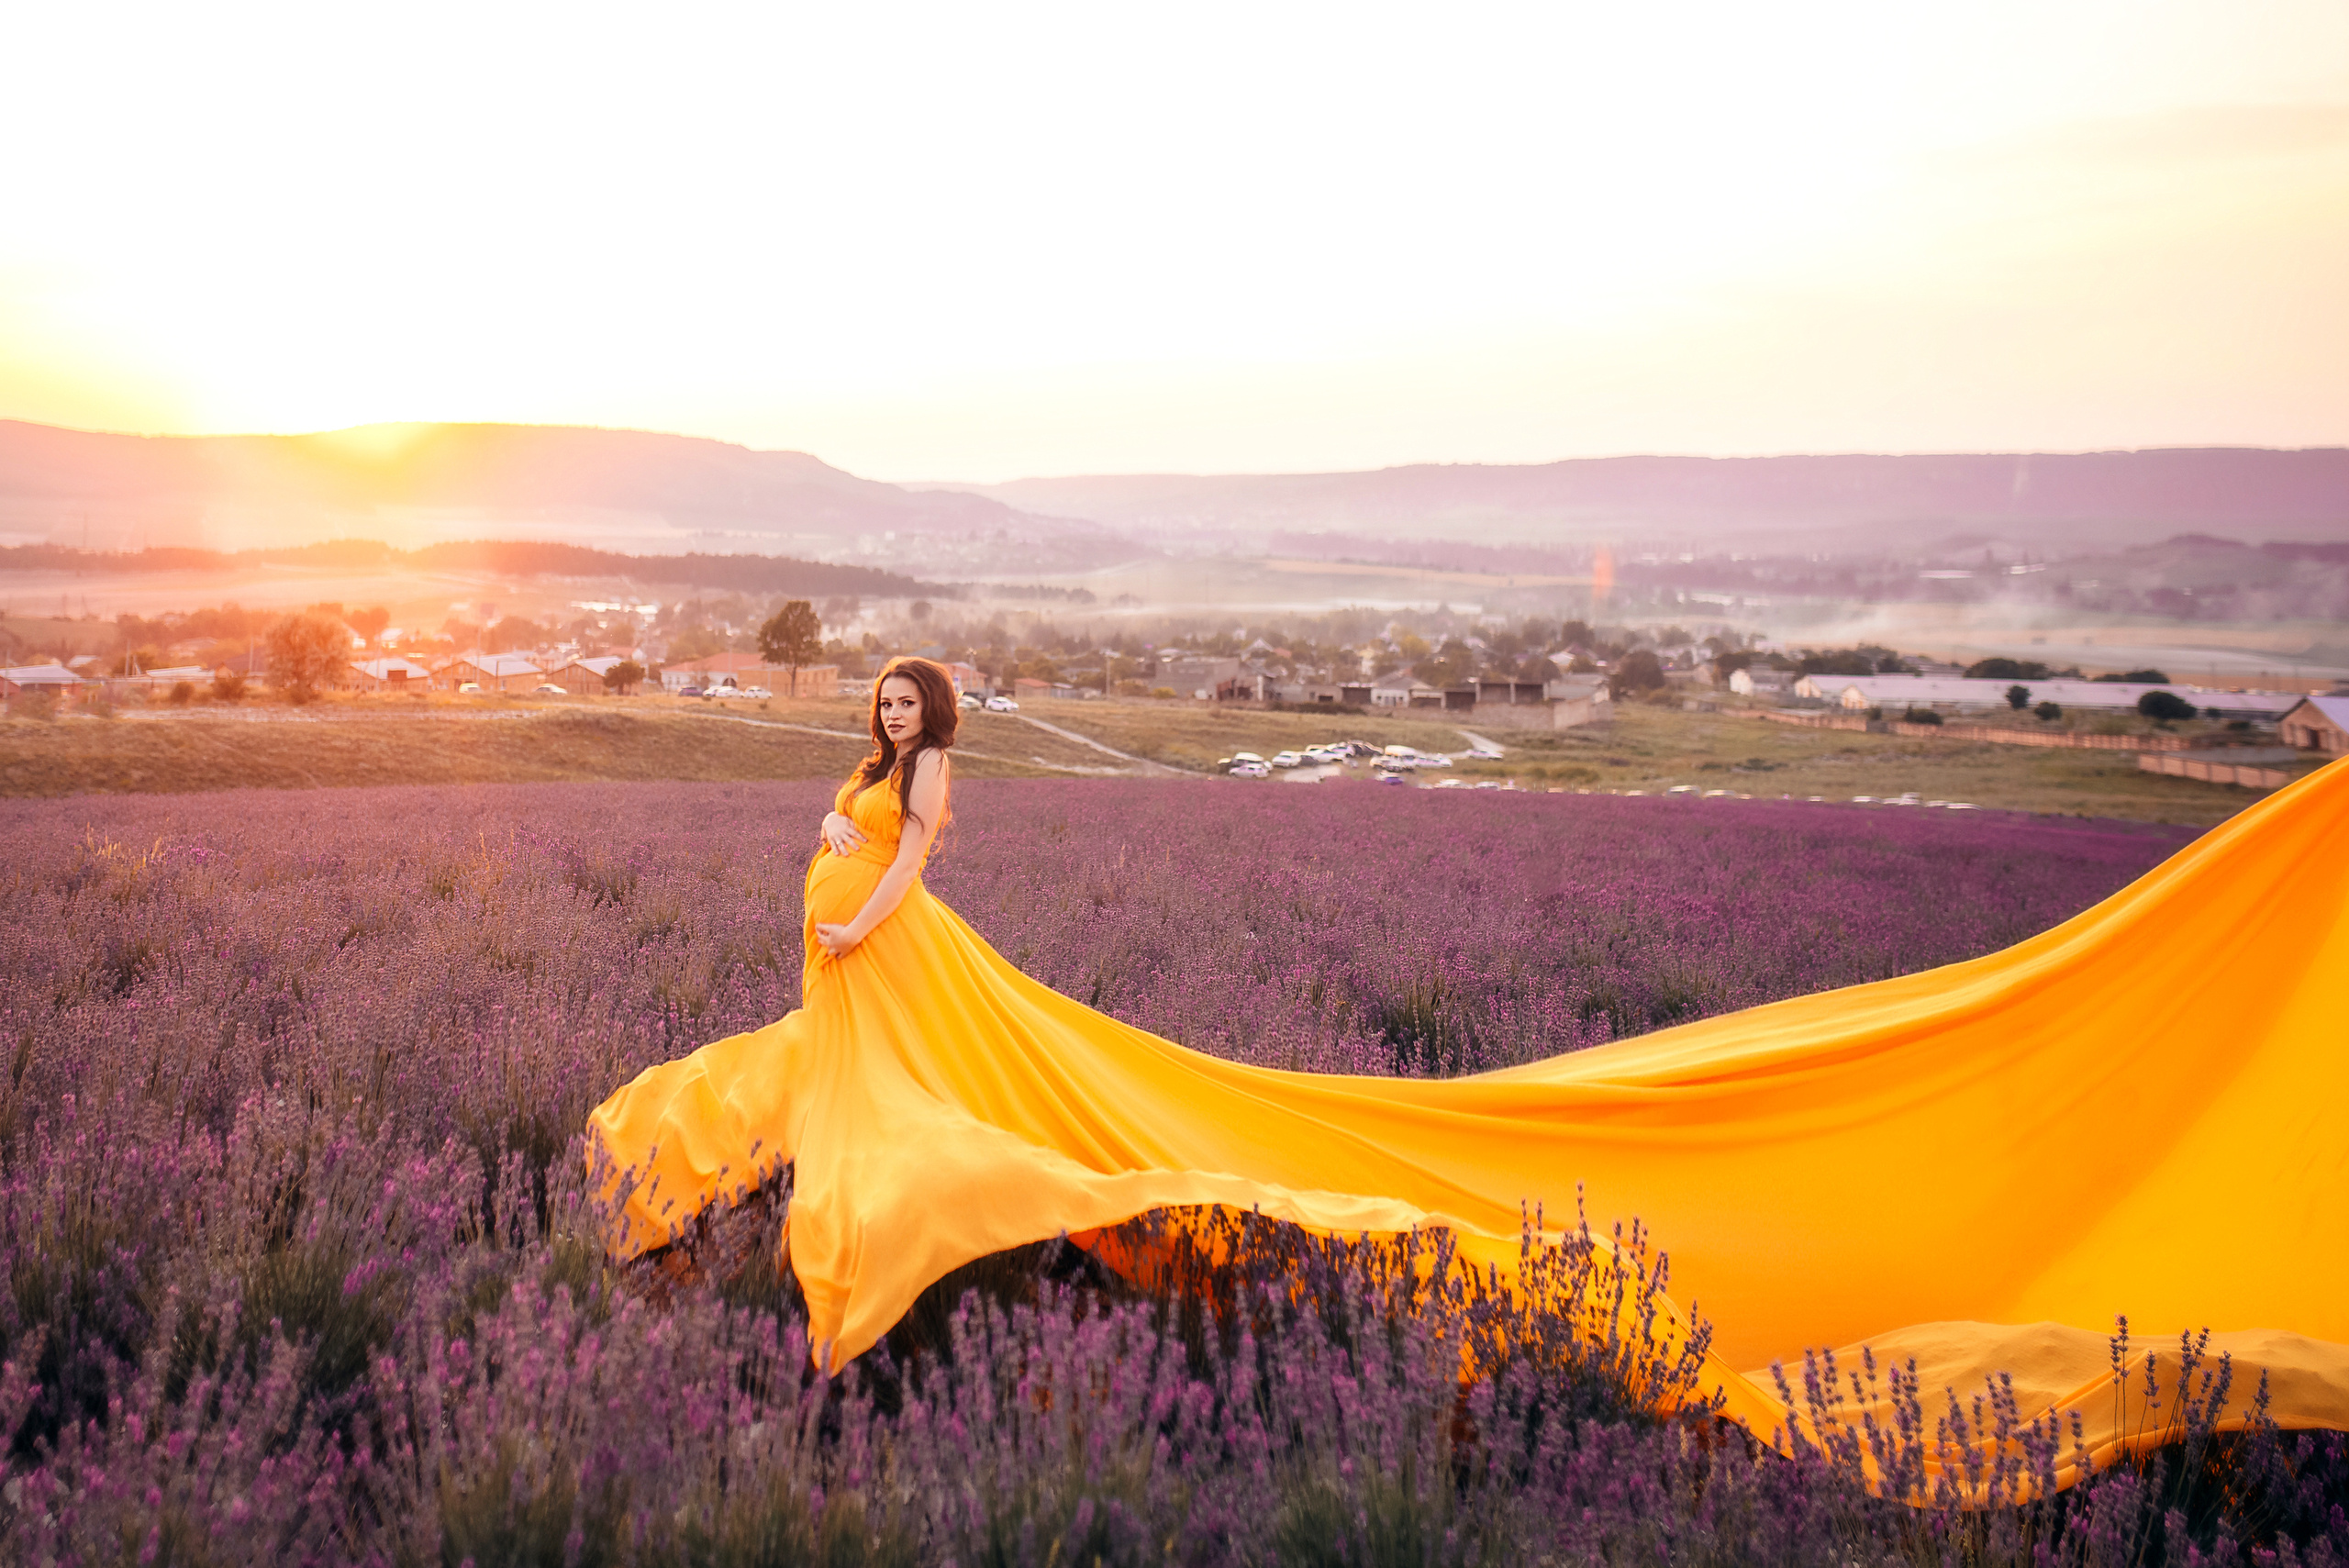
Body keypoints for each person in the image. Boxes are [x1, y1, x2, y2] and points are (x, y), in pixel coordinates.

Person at [588, 684, 2349, 1486]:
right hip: (846, 988)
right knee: (829, 1107)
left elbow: (913, 871)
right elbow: (848, 847)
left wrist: (859, 908)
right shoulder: (856, 762)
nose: (892, 716)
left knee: (956, 1141)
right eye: (883, 703)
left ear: (933, 718)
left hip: (878, 972)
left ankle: (845, 1355)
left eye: (909, 703)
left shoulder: (933, 787)